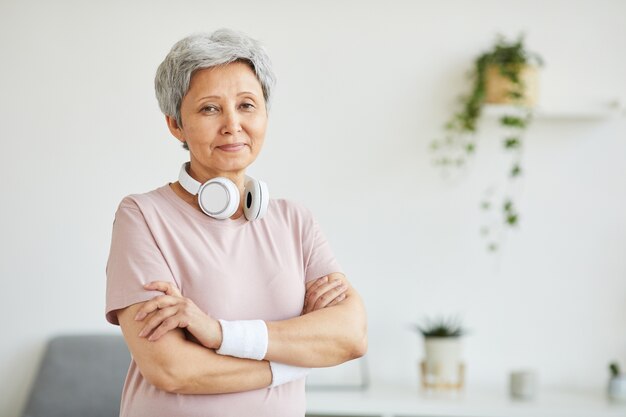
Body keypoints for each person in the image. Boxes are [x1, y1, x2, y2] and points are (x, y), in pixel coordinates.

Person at [105, 29, 367, 417]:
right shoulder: (142, 216)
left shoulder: (295, 221)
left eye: (247, 105)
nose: (232, 124)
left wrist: (217, 334)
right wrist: (293, 361)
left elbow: (351, 336)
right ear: (176, 124)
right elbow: (171, 369)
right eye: (210, 108)